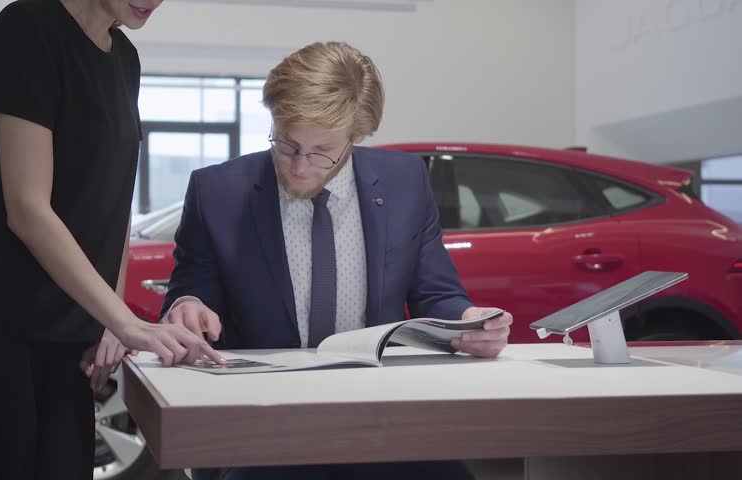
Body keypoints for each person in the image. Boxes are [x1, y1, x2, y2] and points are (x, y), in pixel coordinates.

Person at [159, 41, 513, 480]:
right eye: (287, 145)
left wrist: (466, 322)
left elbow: (435, 293)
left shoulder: (404, 182)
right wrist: (187, 306)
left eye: (322, 151)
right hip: (263, 423)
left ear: (357, 135)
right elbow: (191, 288)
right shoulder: (218, 191)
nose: (301, 166)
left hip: (377, 416)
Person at [0, 1, 223, 479]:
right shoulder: (26, 30)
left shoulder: (124, 58)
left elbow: (114, 202)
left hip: (67, 336)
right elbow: (27, 208)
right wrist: (126, 322)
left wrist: (108, 319)